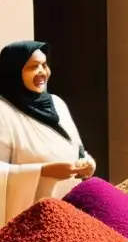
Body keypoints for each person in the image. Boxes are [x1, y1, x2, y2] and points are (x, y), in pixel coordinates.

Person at [0, 41, 95, 224]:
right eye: (33, 67)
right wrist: (43, 171)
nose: (42, 72)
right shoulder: (3, 111)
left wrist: (88, 164)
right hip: (29, 221)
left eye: (44, 65)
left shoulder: (56, 103)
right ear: (13, 71)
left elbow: (77, 148)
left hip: (72, 214)